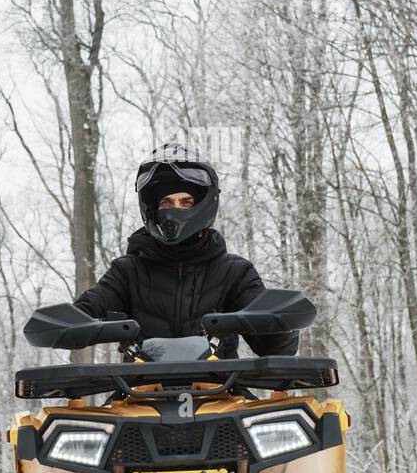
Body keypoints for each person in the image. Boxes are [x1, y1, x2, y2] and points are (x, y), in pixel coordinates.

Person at [74, 144, 298, 358]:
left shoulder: (235, 272)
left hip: (222, 390)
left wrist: (281, 324)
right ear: (152, 208)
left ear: (203, 203)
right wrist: (65, 323)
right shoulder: (126, 272)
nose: (175, 210)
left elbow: (275, 348)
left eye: (186, 201)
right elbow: (84, 313)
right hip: (140, 392)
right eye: (166, 203)